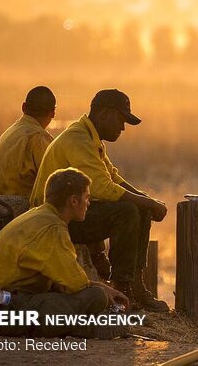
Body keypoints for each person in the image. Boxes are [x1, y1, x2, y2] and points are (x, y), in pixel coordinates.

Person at [30, 89, 169, 312]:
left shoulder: (90, 137)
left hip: (72, 213)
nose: (123, 128)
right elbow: (102, 188)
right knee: (127, 211)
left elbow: (111, 176)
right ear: (104, 114)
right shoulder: (78, 139)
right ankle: (122, 285)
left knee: (139, 207)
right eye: (121, 120)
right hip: (54, 222)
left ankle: (135, 283)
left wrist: (146, 201)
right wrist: (148, 203)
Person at [0, 167, 129, 338]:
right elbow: (75, 285)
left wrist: (105, 288)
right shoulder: (53, 228)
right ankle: (87, 329)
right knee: (96, 296)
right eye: (87, 197)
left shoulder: (39, 215)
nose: (89, 202)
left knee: (89, 295)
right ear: (73, 201)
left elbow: (64, 282)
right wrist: (106, 291)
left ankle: (78, 326)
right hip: (7, 308)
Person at [0, 86, 56, 198]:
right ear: (53, 113)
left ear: (23, 107)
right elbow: (58, 184)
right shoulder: (39, 138)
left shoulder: (9, 133)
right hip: (15, 212)